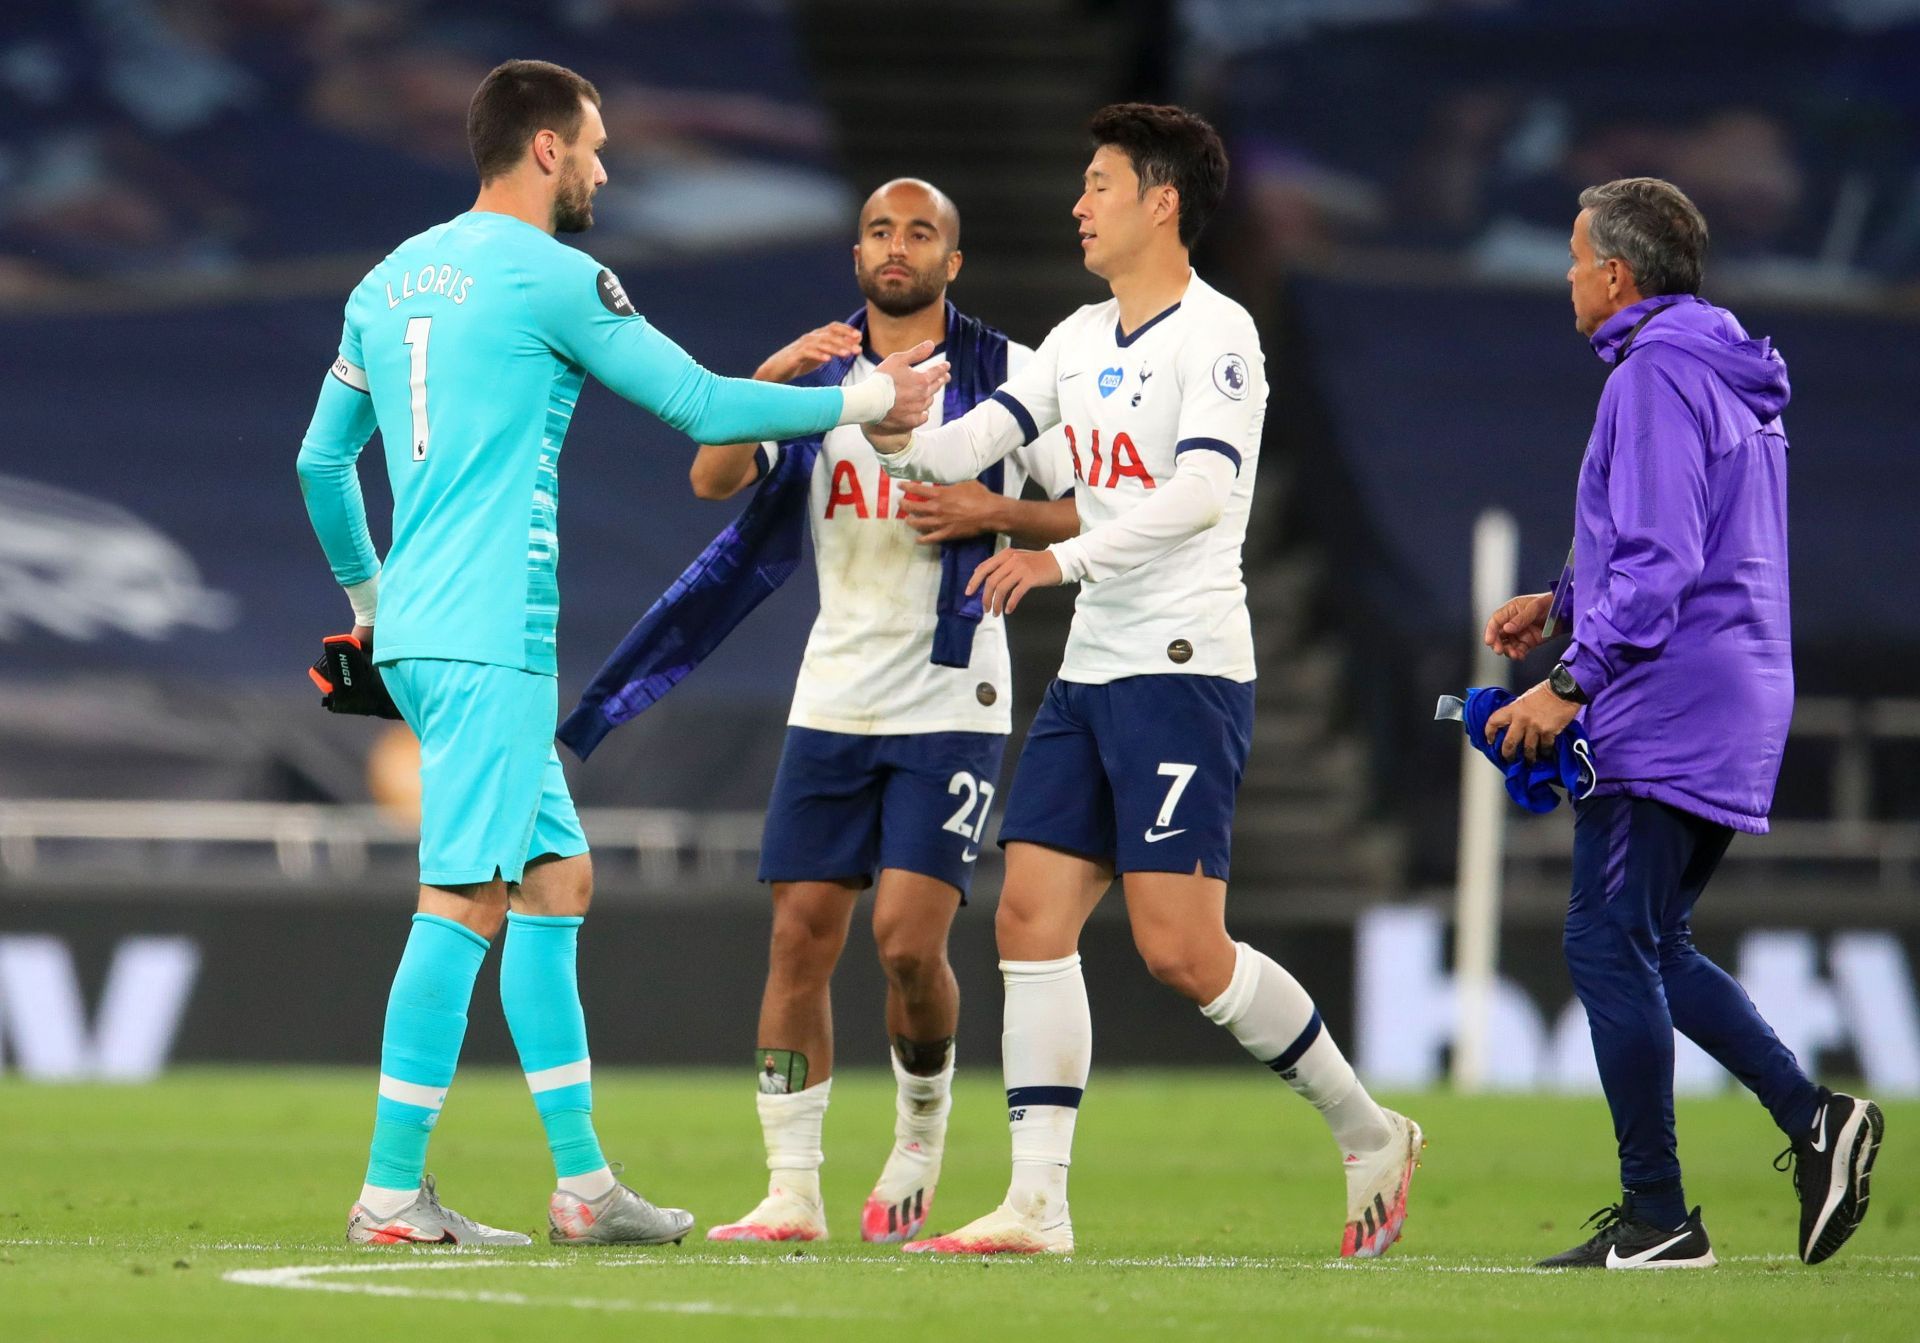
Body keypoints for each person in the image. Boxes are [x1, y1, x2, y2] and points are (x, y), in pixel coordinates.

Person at [294, 59, 943, 1248]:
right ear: (544, 150)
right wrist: (865, 401)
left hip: (434, 627)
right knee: (464, 894)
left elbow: (319, 465)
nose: (601, 167)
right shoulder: (556, 274)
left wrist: (373, 604)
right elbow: (698, 406)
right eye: (591, 147)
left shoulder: (386, 280)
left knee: (556, 878)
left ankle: (585, 1187)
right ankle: (391, 1191)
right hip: (493, 630)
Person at [861, 104, 1422, 1257]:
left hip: (1182, 668)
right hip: (1092, 669)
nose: (1079, 203)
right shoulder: (1076, 338)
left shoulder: (1217, 337)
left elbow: (1199, 495)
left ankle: (1370, 1128)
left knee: (1181, 949)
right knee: (1027, 915)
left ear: (1161, 201)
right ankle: (1036, 1202)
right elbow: (973, 446)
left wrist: (1057, 555)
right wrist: (886, 415)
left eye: (1100, 183)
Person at [1483, 177, 1883, 1269]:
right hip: (1739, 681)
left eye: (1574, 258)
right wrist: (1561, 600)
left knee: (1602, 937)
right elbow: (1670, 531)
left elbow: (1658, 568)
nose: (1566, 275)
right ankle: (1814, 1122)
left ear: (1617, 275)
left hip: (1671, 692)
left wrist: (1567, 682)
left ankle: (1660, 1214)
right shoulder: (1719, 364)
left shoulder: (1653, 374)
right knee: (1653, 937)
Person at [679, 179, 1078, 1244]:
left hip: (954, 688)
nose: (895, 246)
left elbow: (1090, 509)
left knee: (908, 941)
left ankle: (920, 1123)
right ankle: (791, 1188)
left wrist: (996, 511)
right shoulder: (822, 372)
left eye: (920, 232)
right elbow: (712, 477)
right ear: (856, 251)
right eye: (877, 230)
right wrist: (765, 379)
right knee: (799, 937)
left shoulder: (1013, 376)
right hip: (835, 689)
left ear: (955, 259)